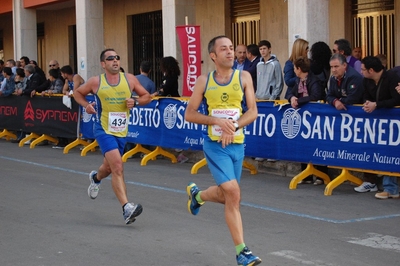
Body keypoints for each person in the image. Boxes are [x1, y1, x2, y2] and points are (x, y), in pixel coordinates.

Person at [184, 35, 261, 266]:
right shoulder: (204, 82)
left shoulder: (244, 77)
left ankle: (197, 196)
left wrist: (234, 125)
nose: (230, 52)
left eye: (232, 48)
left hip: (237, 144)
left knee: (227, 195)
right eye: (224, 49)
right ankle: (242, 252)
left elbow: (253, 111)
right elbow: (189, 113)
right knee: (234, 194)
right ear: (213, 56)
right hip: (216, 146)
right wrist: (216, 121)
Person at [73, 48, 151, 224]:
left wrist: (136, 101)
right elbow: (77, 92)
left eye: (117, 57)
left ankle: (95, 178)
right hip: (103, 129)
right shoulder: (96, 82)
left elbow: (147, 96)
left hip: (121, 132)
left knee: (108, 168)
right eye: (110, 58)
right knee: (117, 166)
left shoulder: (129, 79)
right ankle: (126, 208)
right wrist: (86, 105)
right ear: (103, 64)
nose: (115, 61)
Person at [356, 56, 400, 198]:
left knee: (391, 152)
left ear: (371, 70)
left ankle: (391, 188)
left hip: (393, 121)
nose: (361, 72)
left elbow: (396, 99)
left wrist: (378, 105)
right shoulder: (366, 81)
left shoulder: (392, 77)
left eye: (363, 70)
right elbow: (365, 96)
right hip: (377, 123)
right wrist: (368, 103)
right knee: (379, 151)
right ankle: (383, 185)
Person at [286, 57, 328, 185]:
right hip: (302, 118)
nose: (293, 70)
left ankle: (322, 174)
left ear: (299, 69)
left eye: (294, 68)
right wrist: (292, 97)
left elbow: (315, 96)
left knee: (317, 145)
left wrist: (299, 101)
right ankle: (306, 175)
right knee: (303, 144)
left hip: (315, 118)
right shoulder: (298, 80)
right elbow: (289, 93)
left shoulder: (314, 80)